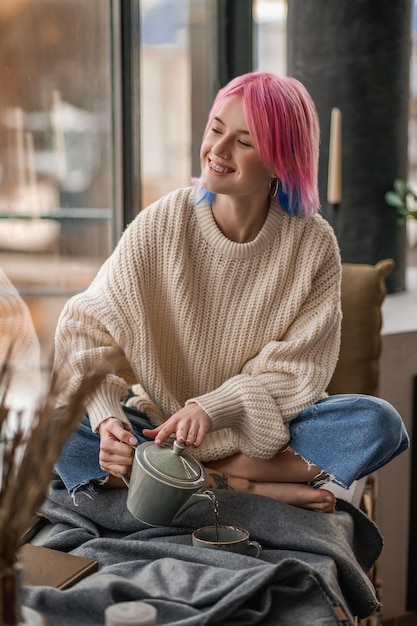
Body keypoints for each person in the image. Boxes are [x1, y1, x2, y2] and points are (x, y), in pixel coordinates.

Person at [53, 71, 409, 514]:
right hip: (161, 429)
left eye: (244, 141)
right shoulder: (162, 222)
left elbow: (297, 372)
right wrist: (108, 419)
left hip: (264, 433)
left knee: (378, 424)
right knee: (50, 427)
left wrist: (213, 408)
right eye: (216, 129)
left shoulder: (313, 244)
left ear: (283, 160)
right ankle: (240, 487)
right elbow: (84, 330)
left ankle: (192, 482)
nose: (218, 151)